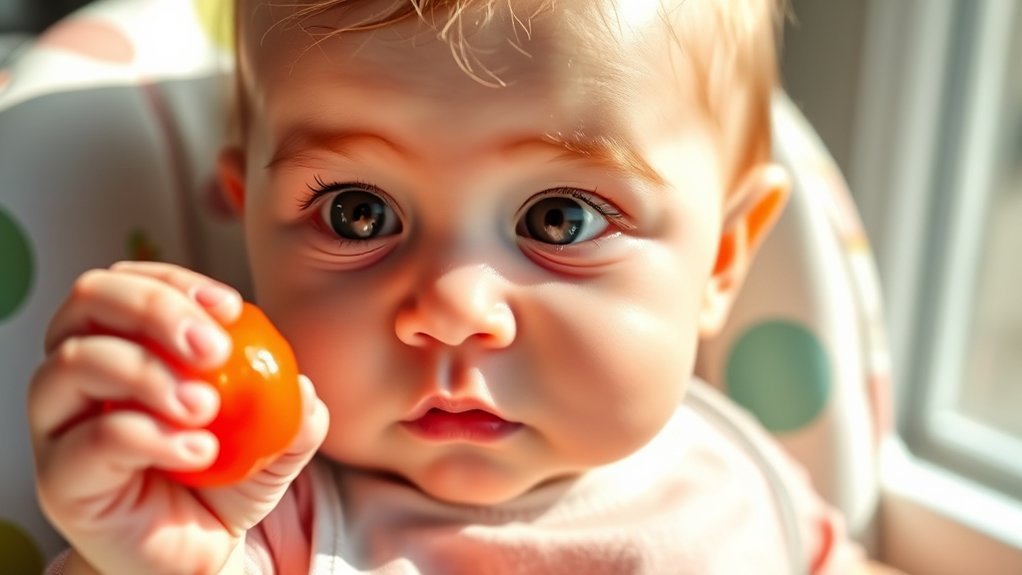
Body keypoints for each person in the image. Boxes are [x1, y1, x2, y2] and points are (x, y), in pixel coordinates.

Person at [28, 0, 895, 573]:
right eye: (359, 213)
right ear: (248, 219)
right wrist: (141, 558)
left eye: (560, 218)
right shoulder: (255, 528)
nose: (452, 309)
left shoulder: (743, 478)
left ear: (722, 259)